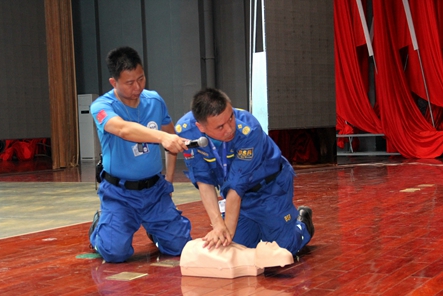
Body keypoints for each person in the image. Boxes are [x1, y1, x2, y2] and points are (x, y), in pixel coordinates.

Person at [175, 88, 314, 256]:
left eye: (231, 117)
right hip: (238, 195)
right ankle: (263, 229)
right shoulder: (186, 132)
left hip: (269, 188)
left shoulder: (249, 130)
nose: (230, 129)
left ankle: (302, 222)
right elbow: (204, 180)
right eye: (220, 127)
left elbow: (236, 188)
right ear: (200, 127)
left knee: (282, 251)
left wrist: (226, 235)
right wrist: (218, 225)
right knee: (240, 249)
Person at [89, 46, 192, 263]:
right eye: (129, 83)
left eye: (141, 79)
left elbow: (171, 140)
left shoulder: (154, 100)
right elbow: (123, 130)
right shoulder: (101, 106)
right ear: (113, 82)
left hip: (154, 191)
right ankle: (99, 227)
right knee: (114, 253)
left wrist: (169, 182)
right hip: (119, 193)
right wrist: (161, 137)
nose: (137, 87)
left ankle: (155, 230)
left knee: (180, 246)